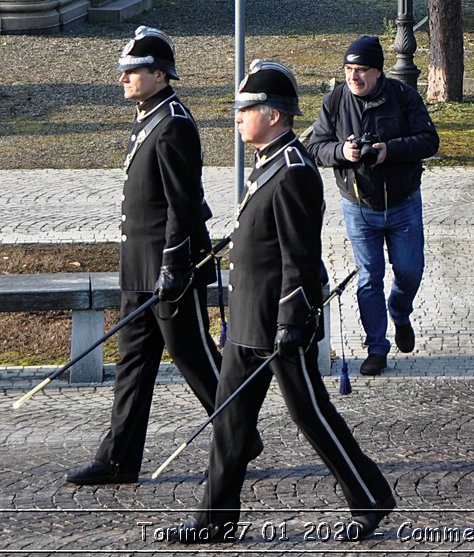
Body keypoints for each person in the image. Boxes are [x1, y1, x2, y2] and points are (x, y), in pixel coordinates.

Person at [166, 61, 393, 544]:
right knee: (229, 422)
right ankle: (216, 522)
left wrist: (292, 319)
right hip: (247, 322)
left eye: (245, 109)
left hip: (277, 324)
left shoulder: (293, 171)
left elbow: (300, 256)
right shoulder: (267, 161)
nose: (237, 117)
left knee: (310, 414)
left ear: (273, 115)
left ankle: (370, 499)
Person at [67, 27, 227, 487]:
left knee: (195, 358)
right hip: (139, 269)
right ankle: (118, 460)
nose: (124, 78)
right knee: (133, 367)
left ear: (158, 74)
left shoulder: (174, 123)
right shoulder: (150, 116)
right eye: (124, 71)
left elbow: (183, 204)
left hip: (169, 269)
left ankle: (239, 432)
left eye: (132, 71)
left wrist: (175, 267)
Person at [309, 35, 440, 377]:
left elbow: (430, 141)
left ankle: (399, 310)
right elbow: (314, 146)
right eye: (349, 69)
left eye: (362, 70)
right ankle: (377, 348)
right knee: (369, 278)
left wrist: (389, 150)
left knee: (409, 270)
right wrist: (342, 153)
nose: (354, 77)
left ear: (379, 72)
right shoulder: (336, 101)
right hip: (358, 205)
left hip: (403, 203)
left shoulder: (403, 96)